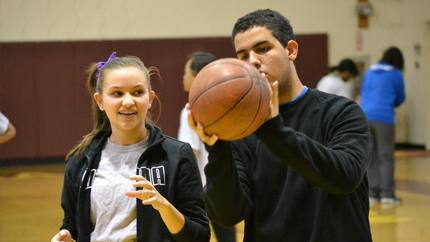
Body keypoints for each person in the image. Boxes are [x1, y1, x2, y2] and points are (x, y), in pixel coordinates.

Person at [187, 9, 372, 242]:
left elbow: (345, 177)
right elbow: (227, 215)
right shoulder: (241, 131)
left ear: (291, 50)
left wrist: (274, 131)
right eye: (242, 55)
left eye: (263, 49)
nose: (252, 60)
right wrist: (217, 148)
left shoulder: (341, 112)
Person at [51, 53, 210, 242]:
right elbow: (72, 227)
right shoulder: (81, 162)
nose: (128, 101)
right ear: (100, 101)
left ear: (150, 98)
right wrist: (65, 237)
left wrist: (165, 207)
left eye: (137, 92)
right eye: (117, 93)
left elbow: (200, 236)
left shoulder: (176, 156)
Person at [178, 52, 237, 242]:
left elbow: (190, 154)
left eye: (186, 72)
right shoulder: (226, 105)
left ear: (196, 76)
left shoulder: (191, 109)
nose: (183, 77)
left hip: (199, 189)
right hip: (223, 184)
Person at [360, 47, 405, 205]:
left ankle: (372, 193)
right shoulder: (396, 74)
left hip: (365, 116)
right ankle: (387, 194)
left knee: (371, 156)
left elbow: (364, 93)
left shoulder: (369, 73)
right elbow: (400, 98)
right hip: (384, 118)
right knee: (386, 156)